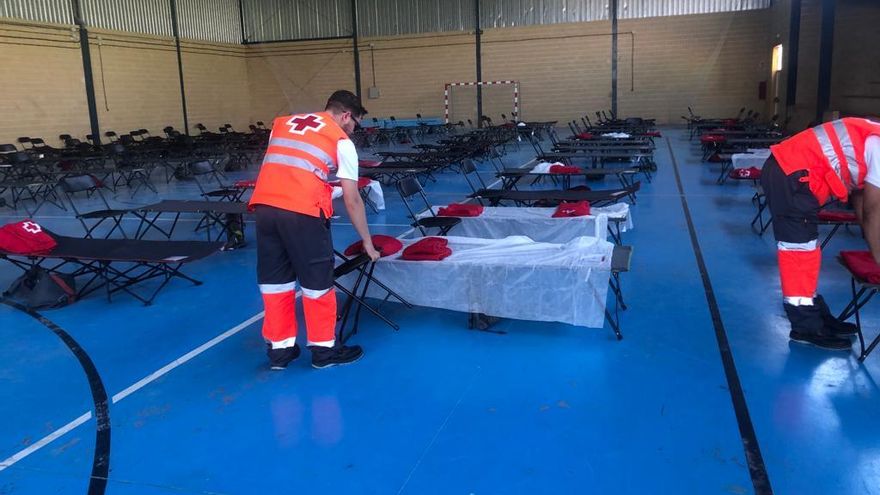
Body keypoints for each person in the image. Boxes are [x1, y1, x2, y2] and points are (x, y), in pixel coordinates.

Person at [249, 90, 380, 370]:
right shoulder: (341, 141)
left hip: (265, 209)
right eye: (355, 123)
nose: (354, 129)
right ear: (346, 116)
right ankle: (324, 351)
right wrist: (367, 242)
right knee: (317, 283)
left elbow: (284, 168)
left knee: (275, 283)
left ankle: (280, 352)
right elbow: (352, 198)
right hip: (303, 214)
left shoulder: (283, 124)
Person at [761, 117, 880, 350]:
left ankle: (815, 315)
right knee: (798, 252)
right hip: (792, 175)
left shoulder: (872, 137)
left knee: (808, 251)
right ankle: (805, 327)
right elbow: (874, 210)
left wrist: (871, 243)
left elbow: (860, 197)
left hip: (792, 173)